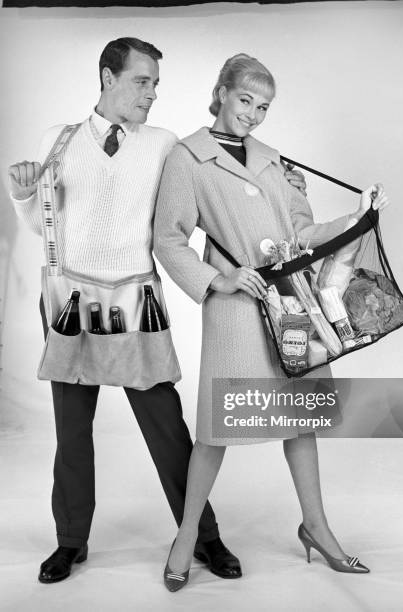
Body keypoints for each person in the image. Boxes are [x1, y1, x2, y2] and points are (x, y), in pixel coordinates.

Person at [8, 38, 306, 585]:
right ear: (107, 77)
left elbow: (212, 178)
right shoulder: (60, 139)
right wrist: (26, 196)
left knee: (167, 427)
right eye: (142, 82)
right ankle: (70, 541)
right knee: (71, 433)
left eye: (156, 84)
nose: (152, 94)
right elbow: (47, 227)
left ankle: (202, 536)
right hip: (73, 302)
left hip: (135, 302)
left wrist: (276, 183)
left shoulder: (165, 144)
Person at [153, 53, 390, 591]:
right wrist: (221, 278)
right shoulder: (188, 158)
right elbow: (168, 238)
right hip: (237, 310)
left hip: (289, 306)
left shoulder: (274, 160)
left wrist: (359, 215)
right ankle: (186, 535)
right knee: (217, 429)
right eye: (245, 101)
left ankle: (318, 529)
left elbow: (303, 234)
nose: (254, 115)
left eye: (263, 107)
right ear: (220, 92)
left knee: (300, 420)